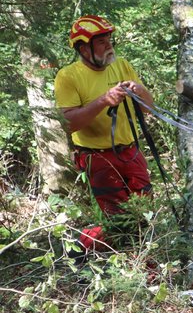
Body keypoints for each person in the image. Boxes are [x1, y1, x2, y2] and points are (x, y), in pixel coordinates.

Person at [54, 15, 155, 255]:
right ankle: (88, 248)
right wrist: (103, 101)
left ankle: (89, 247)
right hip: (97, 158)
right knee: (119, 218)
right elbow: (68, 124)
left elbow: (148, 108)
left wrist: (139, 91)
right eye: (101, 42)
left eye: (109, 39)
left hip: (130, 151)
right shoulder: (68, 76)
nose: (109, 45)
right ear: (83, 48)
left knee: (145, 211)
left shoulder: (122, 66)